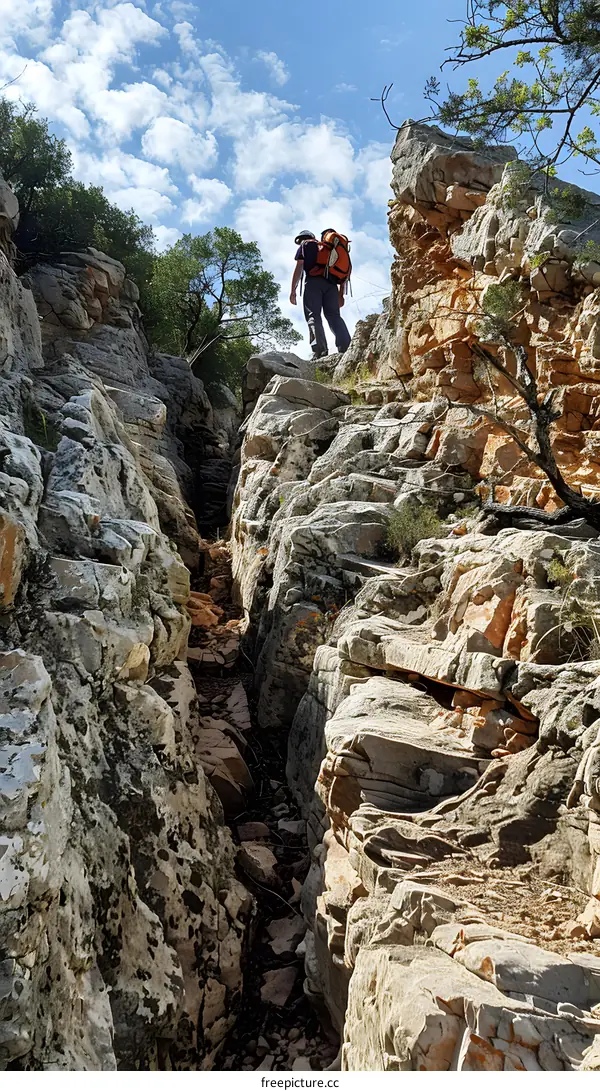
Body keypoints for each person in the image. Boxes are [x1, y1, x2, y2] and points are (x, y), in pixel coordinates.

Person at [290, 229, 352, 359]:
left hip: (313, 283)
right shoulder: (329, 248)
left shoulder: (306, 245)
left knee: (313, 316)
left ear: (303, 239)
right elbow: (342, 272)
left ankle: (319, 351)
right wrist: (340, 294)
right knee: (334, 316)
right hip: (331, 285)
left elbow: (299, 266)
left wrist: (293, 290)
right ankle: (346, 348)